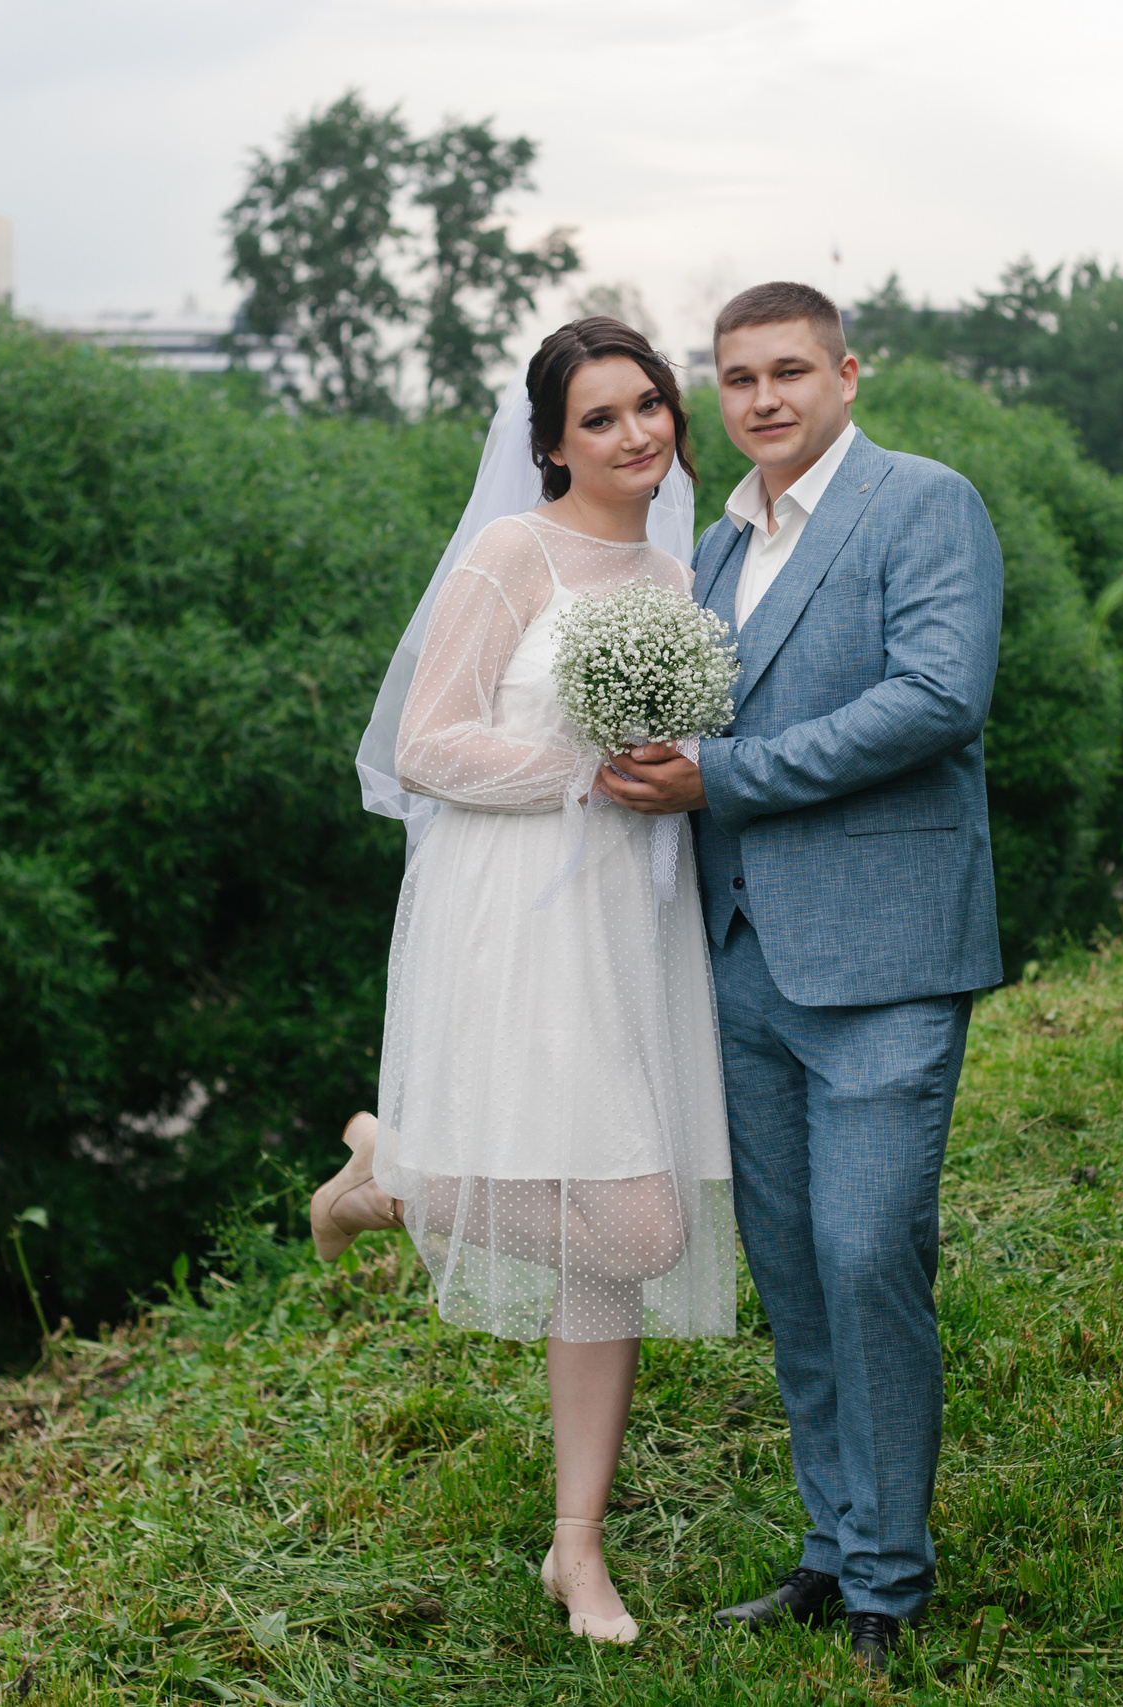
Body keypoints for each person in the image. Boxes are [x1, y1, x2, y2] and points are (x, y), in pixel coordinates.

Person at [308, 317, 735, 1649]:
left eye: (651, 405)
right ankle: (405, 1180)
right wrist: (584, 770)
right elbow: (426, 746)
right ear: (551, 442)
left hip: (632, 921)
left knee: (609, 1245)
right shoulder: (512, 554)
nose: (636, 434)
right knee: (641, 1229)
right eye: (599, 418)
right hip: (520, 913)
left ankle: (578, 1552)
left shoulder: (681, 572)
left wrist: (666, 778)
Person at [599, 282, 1003, 1678]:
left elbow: (938, 697)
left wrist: (724, 778)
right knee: (794, 1269)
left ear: (845, 373)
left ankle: (895, 1574)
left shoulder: (923, 503)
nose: (762, 399)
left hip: (889, 948)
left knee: (866, 1251)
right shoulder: (714, 548)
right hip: (742, 956)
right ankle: (834, 1550)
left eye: (788, 372)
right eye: (737, 379)